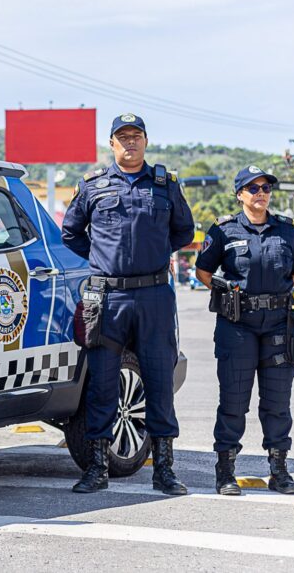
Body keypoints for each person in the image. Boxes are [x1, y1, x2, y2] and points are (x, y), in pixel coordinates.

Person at [62, 114, 195, 495]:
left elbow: (184, 231)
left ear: (146, 141)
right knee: (103, 383)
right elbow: (71, 233)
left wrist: (154, 253)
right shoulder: (92, 186)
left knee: (159, 381)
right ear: (112, 144)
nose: (130, 142)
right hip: (108, 297)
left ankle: (164, 469)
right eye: (123, 137)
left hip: (154, 296)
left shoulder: (165, 185)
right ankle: (97, 468)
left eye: (136, 136)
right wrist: (104, 258)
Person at [195, 166, 294, 496]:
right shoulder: (224, 230)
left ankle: (279, 471)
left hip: (277, 324)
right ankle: (225, 472)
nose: (261, 193)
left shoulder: (286, 230)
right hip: (237, 325)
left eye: (265, 188)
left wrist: (275, 295)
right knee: (233, 400)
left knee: (277, 401)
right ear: (239, 195)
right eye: (253, 188)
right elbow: (204, 271)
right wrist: (228, 294)